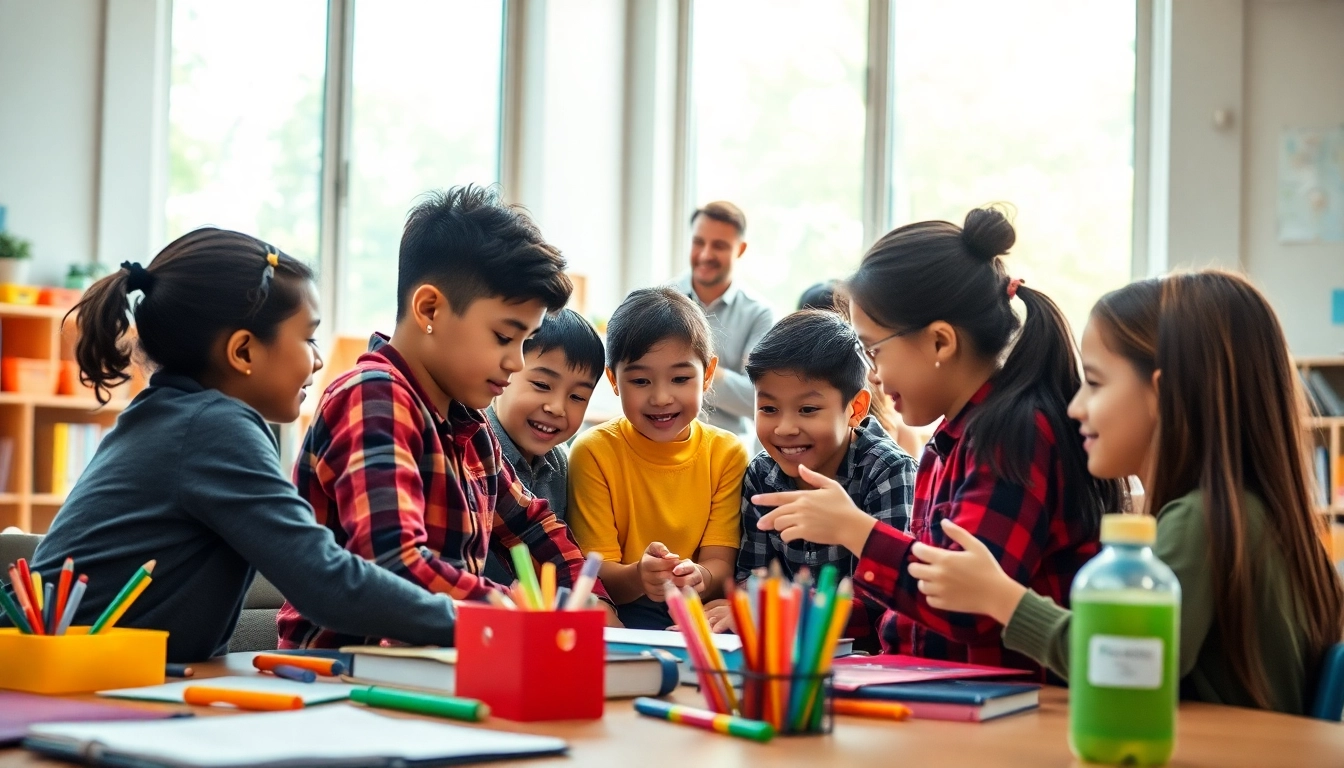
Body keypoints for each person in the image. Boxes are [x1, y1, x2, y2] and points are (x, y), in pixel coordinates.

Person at [907, 272, 1344, 715]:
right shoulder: (1234, 514)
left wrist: (998, 596)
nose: (1075, 407)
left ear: (1161, 394)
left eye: (1094, 383)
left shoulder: (1205, 520)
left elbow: (1124, 664)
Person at [15, 229, 460, 662]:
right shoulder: (215, 427)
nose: (319, 360)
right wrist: (470, 621)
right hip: (84, 688)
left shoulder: (166, 415)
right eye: (308, 338)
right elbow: (324, 580)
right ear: (244, 352)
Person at [752, 208, 1125, 678]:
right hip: (934, 689)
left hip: (1004, 712)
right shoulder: (948, 441)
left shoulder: (1014, 436)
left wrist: (856, 531)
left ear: (940, 343)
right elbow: (917, 605)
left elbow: (965, 604)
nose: (873, 372)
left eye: (876, 351)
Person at [277, 186, 613, 649]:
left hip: (435, 668)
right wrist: (524, 609)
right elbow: (396, 567)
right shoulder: (372, 400)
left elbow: (533, 525)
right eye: (503, 336)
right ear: (430, 309)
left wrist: (592, 601)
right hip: (348, 675)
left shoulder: (469, 426)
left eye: (524, 342)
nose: (516, 362)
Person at [707, 310, 917, 653]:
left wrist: (776, 612)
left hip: (865, 661)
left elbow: (881, 599)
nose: (785, 428)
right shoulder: (763, 474)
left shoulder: (888, 471)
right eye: (769, 409)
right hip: (781, 653)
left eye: (807, 410)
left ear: (855, 408)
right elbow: (751, 575)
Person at [567, 287, 749, 629]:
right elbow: (596, 575)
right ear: (614, 380)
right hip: (624, 612)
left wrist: (700, 576)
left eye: (680, 378)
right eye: (640, 380)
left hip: (698, 613)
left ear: (708, 374)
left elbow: (720, 564)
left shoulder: (727, 453)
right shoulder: (593, 452)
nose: (661, 397)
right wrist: (640, 576)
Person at [481, 308, 605, 583]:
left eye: (577, 396)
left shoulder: (562, 463)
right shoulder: (475, 448)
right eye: (541, 384)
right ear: (504, 371)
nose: (557, 408)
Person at [674, 201, 773, 438]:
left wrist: (695, 369)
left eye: (719, 246)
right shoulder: (658, 299)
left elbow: (759, 399)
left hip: (730, 450)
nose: (706, 255)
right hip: (660, 445)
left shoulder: (759, 314)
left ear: (740, 249)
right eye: (698, 242)